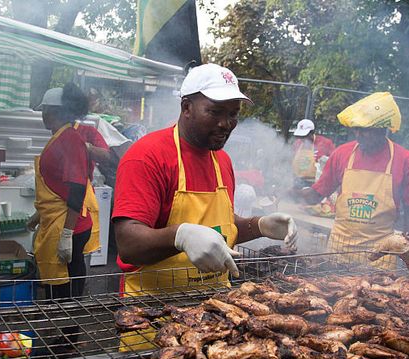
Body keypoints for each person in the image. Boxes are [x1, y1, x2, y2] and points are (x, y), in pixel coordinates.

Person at [113, 63, 298, 297]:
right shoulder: (147, 156)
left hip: (215, 312)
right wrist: (179, 236)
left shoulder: (222, 160)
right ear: (186, 107)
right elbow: (128, 244)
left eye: (233, 114)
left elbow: (219, 229)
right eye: (215, 112)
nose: (226, 123)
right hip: (152, 315)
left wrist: (259, 225)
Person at [298, 92, 409, 268]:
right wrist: (289, 192)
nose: (358, 134)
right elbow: (316, 195)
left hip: (380, 261)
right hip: (338, 253)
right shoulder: (342, 154)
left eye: (365, 129)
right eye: (356, 128)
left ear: (382, 128)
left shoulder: (406, 161)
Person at [32, 87, 99, 299]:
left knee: (67, 287)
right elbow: (57, 183)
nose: (43, 115)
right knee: (63, 282)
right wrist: (38, 216)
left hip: (70, 224)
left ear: (57, 112)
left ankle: (69, 330)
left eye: (46, 110)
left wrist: (67, 235)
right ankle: (60, 323)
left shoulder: (69, 139)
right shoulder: (61, 136)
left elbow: (77, 188)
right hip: (60, 220)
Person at [291, 119, 335, 189]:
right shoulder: (297, 143)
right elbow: (291, 161)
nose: (302, 138)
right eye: (301, 136)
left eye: (305, 136)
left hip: (317, 183)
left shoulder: (325, 143)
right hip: (298, 182)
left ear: (312, 132)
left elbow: (334, 163)